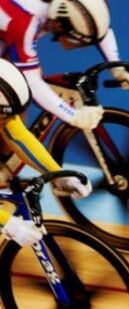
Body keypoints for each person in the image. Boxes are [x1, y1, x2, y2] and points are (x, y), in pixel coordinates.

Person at [0, 0, 129, 133]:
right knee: (17, 87)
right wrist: (73, 116)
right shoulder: (25, 22)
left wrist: (116, 66)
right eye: (77, 41)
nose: (82, 48)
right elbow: (32, 82)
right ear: (60, 25)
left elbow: (96, 22)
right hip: (12, 22)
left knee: (18, 79)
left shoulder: (66, 9)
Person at [0, 58, 91, 246]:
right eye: (4, 116)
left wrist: (57, 174)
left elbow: (20, 138)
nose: (9, 121)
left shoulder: (4, 116)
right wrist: (6, 222)